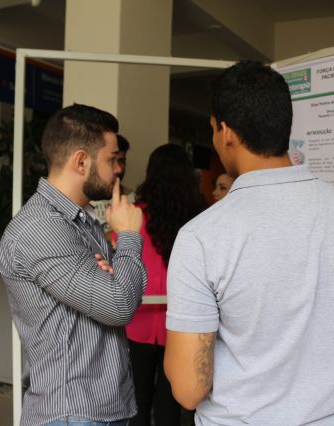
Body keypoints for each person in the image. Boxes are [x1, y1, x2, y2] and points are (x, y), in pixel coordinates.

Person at [163, 61, 334, 425]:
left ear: (225, 132)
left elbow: (189, 389)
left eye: (212, 129)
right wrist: (311, 328)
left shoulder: (201, 237)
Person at [0, 104, 146, 426]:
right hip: (72, 412)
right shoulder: (41, 228)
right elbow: (120, 303)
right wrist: (129, 236)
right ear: (81, 161)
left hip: (99, 408)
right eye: (111, 159)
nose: (118, 170)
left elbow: (121, 290)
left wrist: (114, 280)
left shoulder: (80, 221)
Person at [126, 144, 206, 425]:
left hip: (138, 320)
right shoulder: (200, 217)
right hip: (182, 323)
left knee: (137, 401)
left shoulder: (133, 215)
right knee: (169, 404)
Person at [88, 134, 135, 245]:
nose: (119, 169)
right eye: (111, 160)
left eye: (122, 161)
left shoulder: (134, 198)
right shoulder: (84, 200)